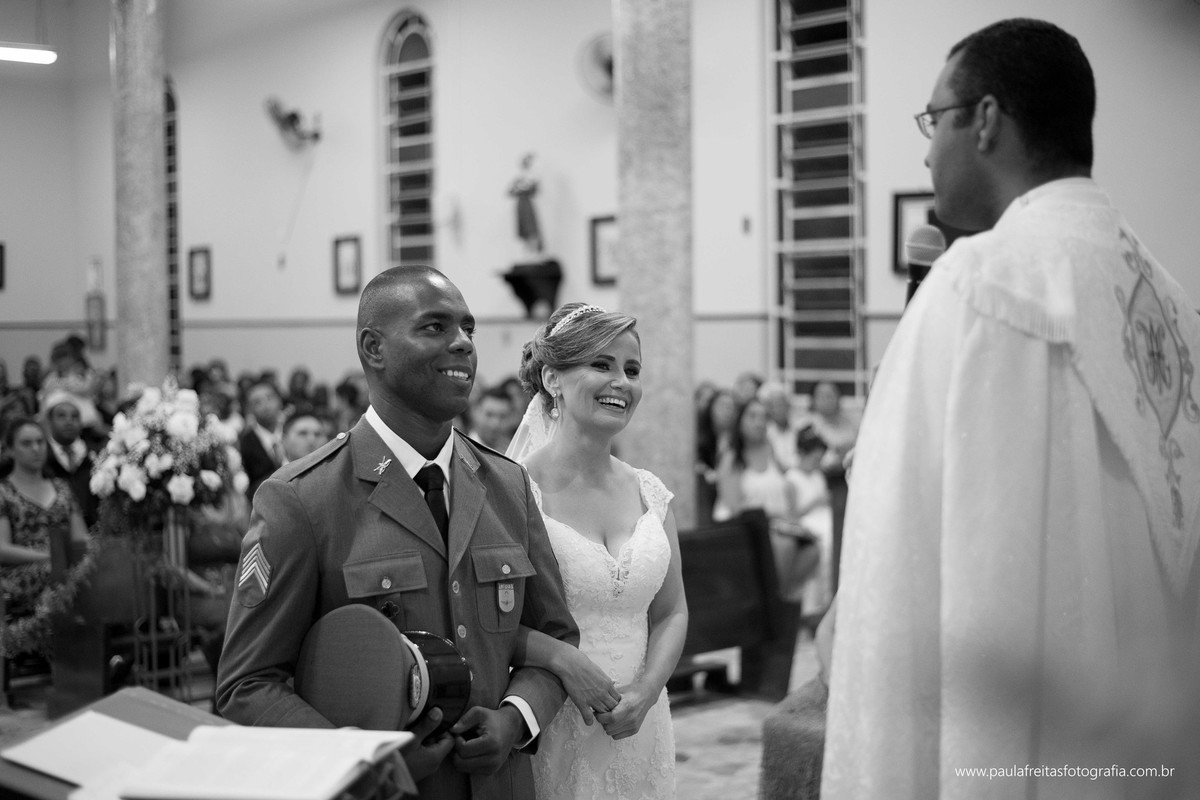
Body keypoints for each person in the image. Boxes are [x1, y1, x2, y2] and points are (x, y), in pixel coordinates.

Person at [823, 19, 1200, 799]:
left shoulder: (981, 283)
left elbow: (893, 571)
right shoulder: (1172, 307)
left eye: (936, 121)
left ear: (987, 120)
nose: (927, 151)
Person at [216, 265, 579, 799]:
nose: (463, 344)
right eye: (435, 327)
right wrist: (361, 761)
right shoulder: (302, 499)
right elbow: (247, 685)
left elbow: (555, 634)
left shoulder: (507, 483)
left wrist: (516, 718)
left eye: (468, 329)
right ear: (373, 348)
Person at [504, 302, 688, 799]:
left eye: (631, 370)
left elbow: (672, 611)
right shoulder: (514, 491)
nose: (621, 383)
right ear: (553, 378)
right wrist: (562, 658)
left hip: (643, 721)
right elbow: (488, 620)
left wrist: (648, 690)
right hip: (557, 713)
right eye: (601, 365)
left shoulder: (651, 492)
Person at [0, 417, 90, 646]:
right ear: (10, 449)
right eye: (26, 443)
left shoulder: (62, 487)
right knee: (56, 572)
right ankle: (63, 649)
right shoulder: (3, 491)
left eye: (40, 442)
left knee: (95, 570)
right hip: (22, 571)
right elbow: (2, 548)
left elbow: (81, 538)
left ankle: (103, 648)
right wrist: (50, 555)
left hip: (67, 565)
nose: (36, 449)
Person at [41, 390, 100, 529]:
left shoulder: (94, 453)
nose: (69, 421)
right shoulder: (42, 456)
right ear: (49, 420)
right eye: (61, 416)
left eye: (75, 416)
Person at [238, 379, 285, 500]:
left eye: (270, 398)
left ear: (279, 400)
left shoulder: (293, 432)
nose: (266, 406)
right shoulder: (244, 443)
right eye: (257, 402)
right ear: (249, 409)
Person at [508, 152, 543, 255]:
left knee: (531, 228)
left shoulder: (533, 177)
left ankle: (535, 251)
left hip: (528, 204)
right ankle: (527, 252)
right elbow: (510, 192)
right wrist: (519, 188)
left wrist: (527, 187)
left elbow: (535, 190)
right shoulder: (519, 178)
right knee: (524, 229)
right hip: (521, 204)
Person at [466, 385, 514, 453]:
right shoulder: (462, 449)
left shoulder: (512, 452)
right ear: (476, 412)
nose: (495, 423)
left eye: (502, 416)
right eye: (489, 415)